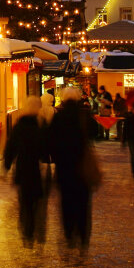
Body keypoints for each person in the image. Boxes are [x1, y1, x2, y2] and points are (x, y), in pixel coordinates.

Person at [48, 86, 93, 248]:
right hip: (82, 168)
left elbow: (51, 141)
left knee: (67, 203)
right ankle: (83, 235)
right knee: (82, 204)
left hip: (64, 169)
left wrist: (56, 157)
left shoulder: (58, 117)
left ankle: (69, 234)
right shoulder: (84, 115)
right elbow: (94, 133)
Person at [4, 97, 49, 246]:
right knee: (35, 200)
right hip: (35, 169)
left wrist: (7, 163)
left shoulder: (20, 125)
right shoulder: (39, 125)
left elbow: (11, 146)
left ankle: (27, 231)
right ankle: (33, 228)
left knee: (25, 202)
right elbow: (44, 147)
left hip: (23, 168)